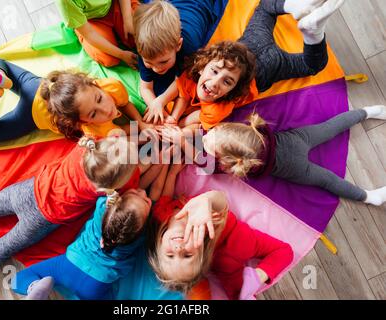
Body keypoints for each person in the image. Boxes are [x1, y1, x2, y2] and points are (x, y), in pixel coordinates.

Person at [0, 136, 140, 300]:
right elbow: (129, 188)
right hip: (40, 220)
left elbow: (112, 141)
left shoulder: (86, 147)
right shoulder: (108, 192)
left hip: (25, 192)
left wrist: (121, 142)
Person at [165, 0, 345, 130]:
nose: (214, 83)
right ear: (203, 66)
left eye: (226, 81)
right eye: (215, 71)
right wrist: (173, 117)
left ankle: (313, 33)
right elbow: (183, 93)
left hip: (267, 66)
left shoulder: (216, 109)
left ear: (234, 90)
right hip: (249, 45)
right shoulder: (192, 76)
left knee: (311, 66)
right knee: (266, 8)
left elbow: (189, 118)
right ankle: (299, 13)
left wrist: (176, 125)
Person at [199, 106, 386, 206]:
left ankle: (368, 197)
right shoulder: (249, 132)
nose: (206, 136)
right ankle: (367, 112)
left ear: (232, 161)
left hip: (295, 168)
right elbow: (232, 136)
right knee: (330, 128)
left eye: (210, 136)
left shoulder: (239, 166)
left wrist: (190, 144)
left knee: (327, 180)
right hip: (297, 140)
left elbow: (209, 168)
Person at [0, 58, 149, 143]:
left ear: (96, 85)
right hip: (31, 113)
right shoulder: (96, 131)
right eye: (93, 114)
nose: (106, 109)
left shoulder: (111, 87)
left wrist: (140, 122)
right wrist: (141, 129)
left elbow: (124, 103)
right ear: (82, 122)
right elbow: (124, 133)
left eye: (99, 99)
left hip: (37, 85)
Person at [147, 188, 293, 300]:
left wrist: (205, 200)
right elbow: (285, 251)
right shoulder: (234, 246)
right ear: (201, 251)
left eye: (170, 255)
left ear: (159, 244)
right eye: (187, 255)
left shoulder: (160, 217)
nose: (178, 249)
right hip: (235, 241)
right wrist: (257, 277)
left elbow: (218, 197)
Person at [12, 190, 151, 300]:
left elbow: (113, 194)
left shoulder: (102, 208)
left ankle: (34, 287)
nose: (143, 192)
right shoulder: (139, 237)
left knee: (17, 280)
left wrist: (126, 195)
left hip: (69, 264)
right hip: (96, 285)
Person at [133, 0, 220, 124]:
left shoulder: (190, 46)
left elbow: (182, 83)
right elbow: (145, 87)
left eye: (163, 62)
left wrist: (161, 101)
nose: (156, 69)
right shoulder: (145, 50)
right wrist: (155, 105)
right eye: (149, 63)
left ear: (178, 45)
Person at [55, 0, 139, 68]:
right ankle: (78, 26)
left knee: (141, 34)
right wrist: (121, 54)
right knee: (109, 59)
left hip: (115, 3)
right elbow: (89, 33)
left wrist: (127, 20)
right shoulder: (65, 1)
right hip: (91, 21)